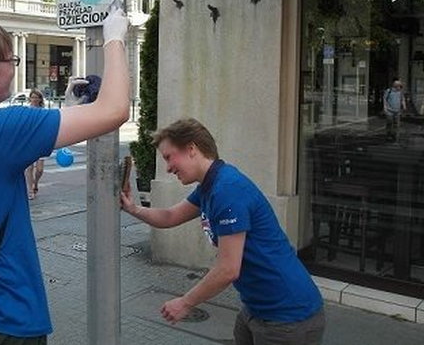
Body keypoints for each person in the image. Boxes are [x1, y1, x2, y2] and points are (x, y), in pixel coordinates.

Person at [0, 7, 129, 344]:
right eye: (12, 61)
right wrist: (115, 38)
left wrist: (68, 111)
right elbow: (115, 109)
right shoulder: (2, 128)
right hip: (6, 317)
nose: (14, 67)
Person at [120, 118, 325, 345]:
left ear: (191, 149)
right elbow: (171, 216)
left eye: (169, 157)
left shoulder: (227, 189)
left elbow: (228, 269)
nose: (168, 167)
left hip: (288, 317)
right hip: (256, 309)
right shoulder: (210, 186)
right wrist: (133, 208)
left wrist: (185, 302)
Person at [24, 88, 46, 200]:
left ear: (39, 99)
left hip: (41, 141)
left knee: (40, 169)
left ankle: (35, 183)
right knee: (29, 167)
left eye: (36, 97)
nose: (34, 99)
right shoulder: (27, 111)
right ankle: (31, 190)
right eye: (32, 97)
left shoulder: (43, 111)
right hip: (29, 141)